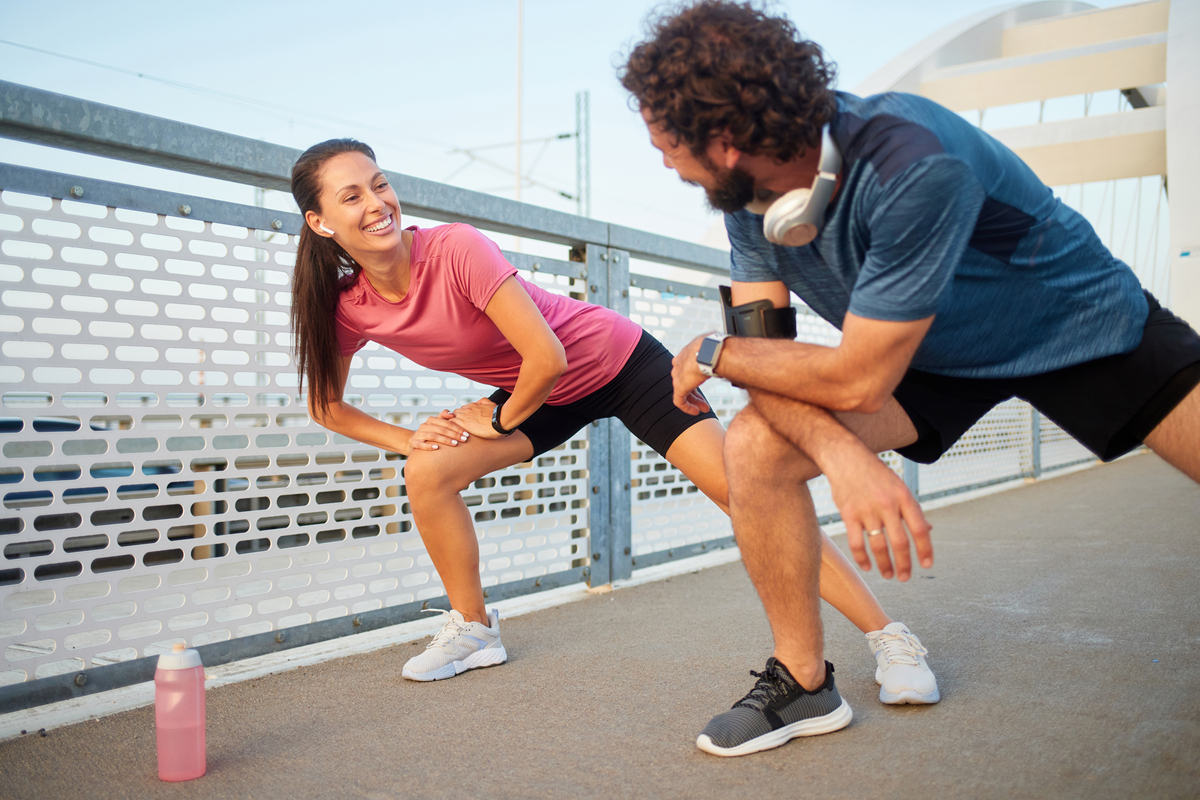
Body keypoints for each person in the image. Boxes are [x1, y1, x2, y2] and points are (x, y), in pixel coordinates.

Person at [621, 0, 1200, 758]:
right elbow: (774, 365)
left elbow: (847, 375)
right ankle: (804, 682)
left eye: (666, 144)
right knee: (757, 446)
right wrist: (841, 454)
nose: (664, 160)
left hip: (1078, 327)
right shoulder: (749, 203)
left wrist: (713, 351)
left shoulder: (910, 158)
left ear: (724, 143)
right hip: (923, 359)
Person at [287, 138, 940, 698]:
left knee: (749, 498)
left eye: (380, 185)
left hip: (620, 365)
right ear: (320, 222)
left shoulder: (456, 248)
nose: (377, 204)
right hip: (536, 392)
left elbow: (547, 354)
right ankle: (475, 630)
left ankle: (891, 639)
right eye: (351, 197)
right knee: (428, 473)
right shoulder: (349, 306)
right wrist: (411, 439)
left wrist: (500, 418)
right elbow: (326, 404)